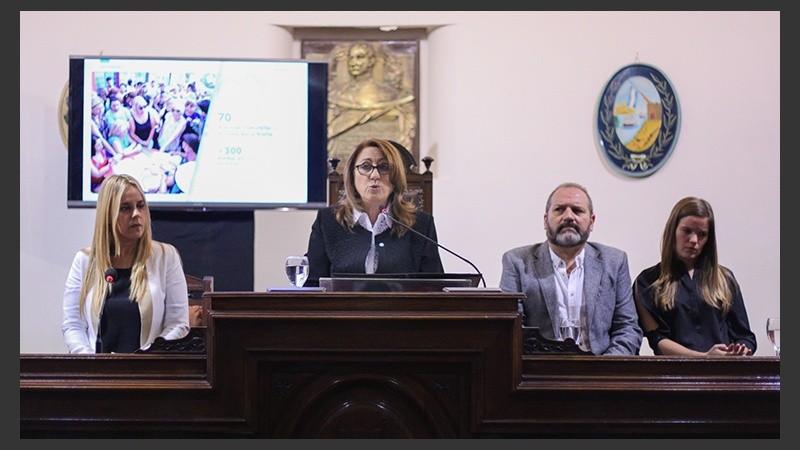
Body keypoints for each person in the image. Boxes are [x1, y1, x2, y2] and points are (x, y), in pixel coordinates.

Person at [499, 182, 642, 355]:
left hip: (600, 370)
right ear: (546, 220)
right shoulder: (517, 262)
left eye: (577, 210)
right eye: (559, 210)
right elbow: (510, 330)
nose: (568, 216)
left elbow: (628, 328)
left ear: (591, 221)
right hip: (540, 373)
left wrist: (605, 369)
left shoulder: (614, 261)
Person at [61, 174, 190, 353]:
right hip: (97, 374)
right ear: (108, 215)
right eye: (125, 208)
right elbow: (73, 326)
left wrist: (148, 356)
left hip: (148, 372)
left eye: (140, 206)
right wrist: (89, 361)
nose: (136, 214)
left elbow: (178, 324)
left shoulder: (166, 257)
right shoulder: (84, 261)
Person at [304, 138, 443, 287]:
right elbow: (311, 286)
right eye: (365, 166)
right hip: (343, 310)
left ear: (395, 176)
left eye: (384, 167)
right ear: (352, 175)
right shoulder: (327, 222)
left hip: (399, 310)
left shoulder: (421, 225)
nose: (375, 175)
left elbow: (435, 289)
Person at [633, 197, 756, 356]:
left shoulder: (725, 279)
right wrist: (705, 358)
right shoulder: (647, 281)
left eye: (702, 234)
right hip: (674, 374)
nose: (693, 240)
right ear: (673, 230)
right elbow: (657, 340)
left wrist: (740, 349)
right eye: (687, 231)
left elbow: (745, 336)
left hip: (723, 374)